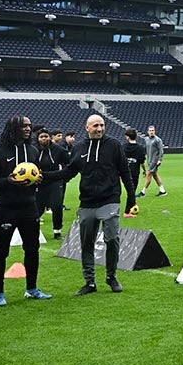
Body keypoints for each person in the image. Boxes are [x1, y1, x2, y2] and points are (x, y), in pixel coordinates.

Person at [0, 116, 54, 305]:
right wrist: (8, 181)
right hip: (6, 208)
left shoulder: (32, 150)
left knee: (32, 249)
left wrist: (37, 180)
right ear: (13, 128)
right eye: (24, 126)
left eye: (30, 126)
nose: (29, 129)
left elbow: (37, 175)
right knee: (0, 252)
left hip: (29, 206)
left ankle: (32, 289)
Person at [60, 114, 136, 296]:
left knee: (111, 239)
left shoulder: (114, 145)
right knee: (86, 244)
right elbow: (69, 172)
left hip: (109, 200)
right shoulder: (79, 148)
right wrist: (44, 178)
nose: (100, 129)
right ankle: (90, 282)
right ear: (87, 127)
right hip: (86, 203)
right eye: (95, 126)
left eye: (102, 125)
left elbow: (125, 171)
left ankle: (111, 276)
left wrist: (131, 197)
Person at [33, 126, 70, 239]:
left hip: (54, 181)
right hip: (38, 183)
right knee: (37, 208)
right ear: (38, 138)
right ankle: (33, 230)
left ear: (50, 138)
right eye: (41, 137)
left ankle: (57, 231)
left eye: (46, 136)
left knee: (57, 206)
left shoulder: (58, 150)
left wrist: (64, 176)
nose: (44, 139)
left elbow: (69, 163)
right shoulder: (33, 150)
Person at [121, 129, 145, 216]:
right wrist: (145, 171)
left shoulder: (123, 147)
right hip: (134, 173)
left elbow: (120, 160)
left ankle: (133, 204)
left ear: (127, 137)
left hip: (123, 172)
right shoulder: (140, 149)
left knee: (127, 192)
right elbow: (142, 162)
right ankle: (127, 212)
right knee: (131, 192)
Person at [140, 125, 166, 197]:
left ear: (154, 131)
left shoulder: (158, 140)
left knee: (148, 175)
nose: (151, 132)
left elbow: (161, 151)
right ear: (148, 132)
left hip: (155, 161)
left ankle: (143, 192)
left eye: (153, 130)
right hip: (149, 160)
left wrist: (159, 160)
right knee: (155, 175)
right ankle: (162, 191)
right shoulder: (146, 139)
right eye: (150, 131)